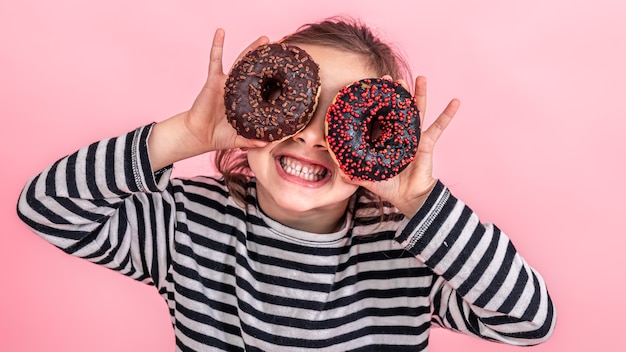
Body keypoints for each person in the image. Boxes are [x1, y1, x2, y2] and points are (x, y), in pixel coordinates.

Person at [17, 16, 556, 351]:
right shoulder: (188, 226)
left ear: (382, 144)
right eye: (293, 109)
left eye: (350, 123)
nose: (314, 137)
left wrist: (420, 204)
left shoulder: (408, 255)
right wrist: (183, 135)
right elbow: (48, 208)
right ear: (256, 110)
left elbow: (528, 320)